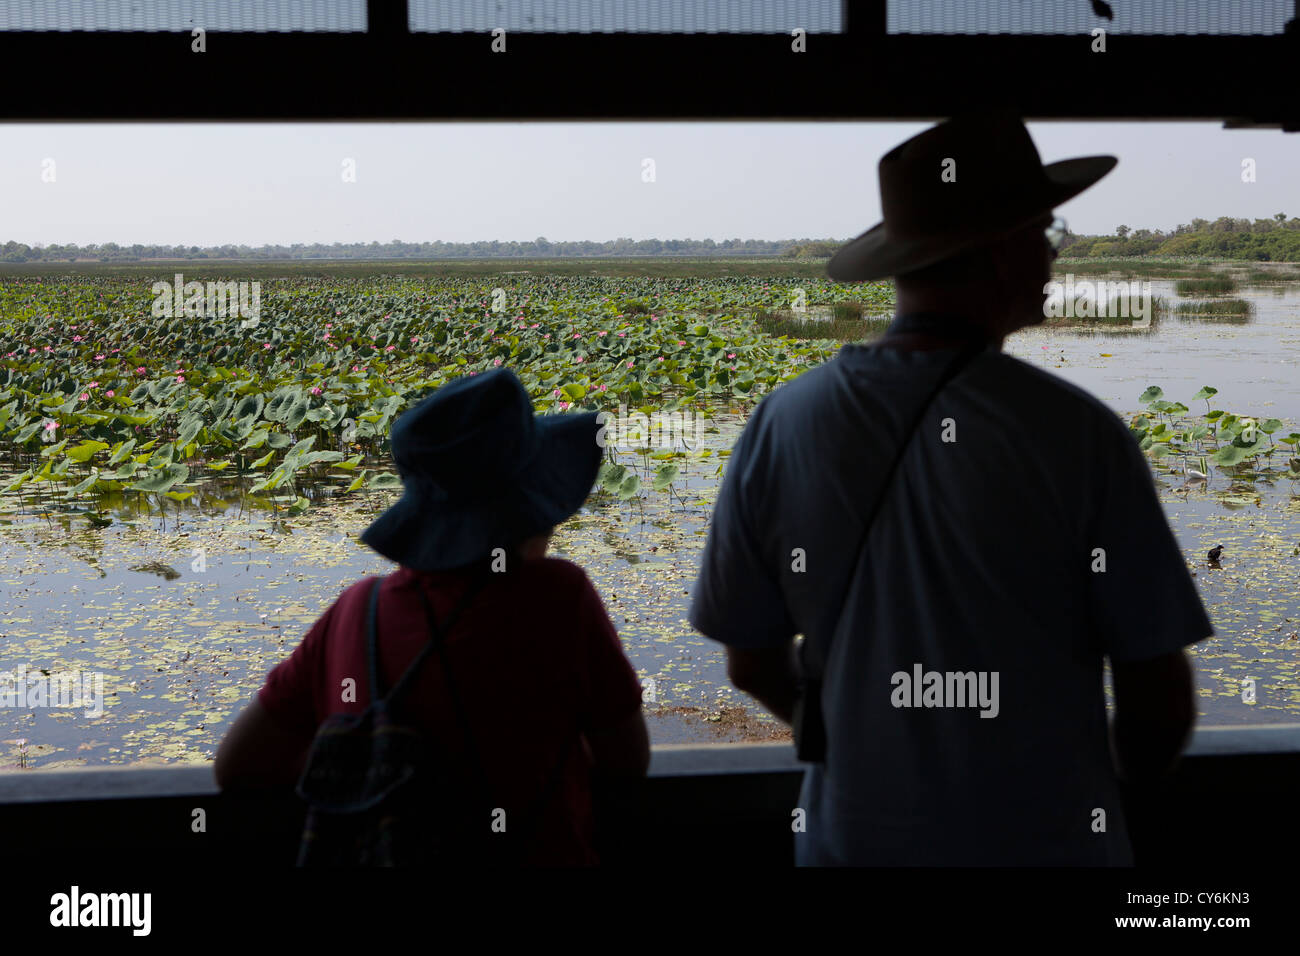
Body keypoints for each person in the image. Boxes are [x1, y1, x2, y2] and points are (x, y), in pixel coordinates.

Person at [688, 113, 1211, 865]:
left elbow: (748, 659)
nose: (1052, 259)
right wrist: (1112, 789)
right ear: (999, 252)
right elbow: (1154, 690)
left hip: (850, 841)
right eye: (1046, 234)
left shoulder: (783, 419)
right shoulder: (1080, 434)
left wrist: (856, 735)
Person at [215, 367, 649, 865]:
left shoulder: (357, 609)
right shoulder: (560, 596)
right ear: (532, 501)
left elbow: (237, 767)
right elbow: (627, 761)